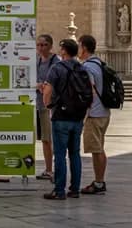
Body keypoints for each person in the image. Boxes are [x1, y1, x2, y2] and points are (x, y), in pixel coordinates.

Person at [42, 38, 85, 200]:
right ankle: (75, 189)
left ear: (64, 51)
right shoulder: (82, 68)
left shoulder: (57, 68)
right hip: (78, 117)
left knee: (60, 154)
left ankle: (59, 190)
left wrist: (48, 105)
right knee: (75, 153)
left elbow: (47, 91)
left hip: (61, 115)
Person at [78, 34, 109, 195]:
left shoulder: (87, 67)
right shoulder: (100, 63)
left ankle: (99, 182)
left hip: (94, 113)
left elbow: (89, 91)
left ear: (83, 47)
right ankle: (99, 180)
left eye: (79, 45)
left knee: (96, 150)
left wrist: (84, 114)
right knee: (100, 148)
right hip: (104, 112)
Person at [35, 34, 60, 181]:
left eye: (43, 45)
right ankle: (48, 168)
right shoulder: (37, 61)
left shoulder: (56, 62)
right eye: (38, 45)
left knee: (51, 138)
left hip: (51, 105)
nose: (40, 48)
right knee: (44, 139)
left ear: (50, 46)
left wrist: (45, 86)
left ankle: (53, 169)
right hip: (39, 103)